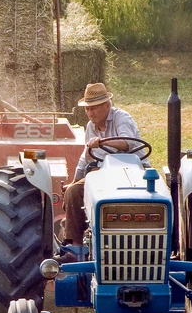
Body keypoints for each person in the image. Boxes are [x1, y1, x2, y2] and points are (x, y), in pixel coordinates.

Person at [61, 82, 148, 251]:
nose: (90, 113)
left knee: (163, 196)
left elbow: (128, 143)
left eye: (94, 108)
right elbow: (85, 157)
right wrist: (74, 181)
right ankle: (76, 246)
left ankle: (167, 244)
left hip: (132, 172)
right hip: (102, 174)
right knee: (72, 192)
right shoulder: (90, 127)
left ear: (107, 105)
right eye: (87, 109)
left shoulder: (122, 118)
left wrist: (101, 143)